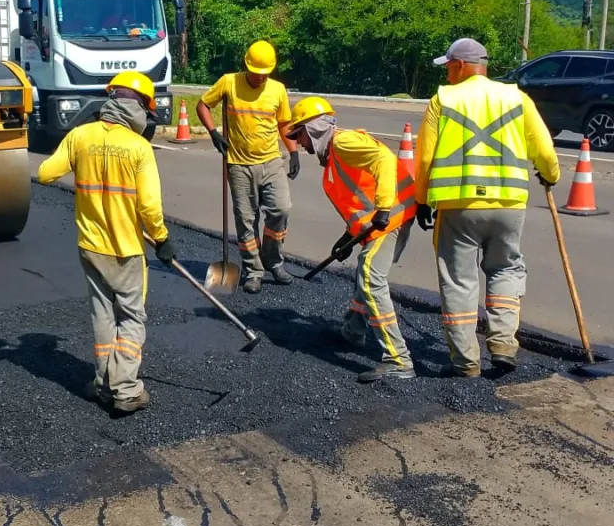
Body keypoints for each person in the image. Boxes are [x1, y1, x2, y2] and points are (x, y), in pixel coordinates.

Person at [415, 38, 560, 377]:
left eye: (449, 67)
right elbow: (545, 150)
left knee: (459, 279)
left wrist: (422, 199)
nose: (447, 74)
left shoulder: (443, 99)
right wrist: (550, 175)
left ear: (461, 66)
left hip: (459, 206)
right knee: (505, 269)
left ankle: (465, 361)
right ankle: (503, 345)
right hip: (509, 205)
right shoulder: (516, 97)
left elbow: (425, 158)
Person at [38, 71, 175, 413]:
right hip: (126, 250)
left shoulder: (80, 136)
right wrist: (161, 239)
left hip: (90, 246)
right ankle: (126, 390)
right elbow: (149, 205)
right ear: (140, 108)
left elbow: (45, 173)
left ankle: (103, 384)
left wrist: (78, 141)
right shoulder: (139, 147)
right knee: (131, 316)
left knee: (102, 313)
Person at [287, 96, 418, 382]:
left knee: (370, 275)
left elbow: (384, 160)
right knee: (364, 270)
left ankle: (398, 359)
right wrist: (347, 236)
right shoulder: (336, 154)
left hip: (391, 216)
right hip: (387, 216)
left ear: (314, 129)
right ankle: (354, 330)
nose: (301, 145)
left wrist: (384, 207)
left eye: (300, 136)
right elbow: (360, 196)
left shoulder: (344, 143)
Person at [196, 40, 300, 293]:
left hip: (272, 161)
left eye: (266, 73)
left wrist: (294, 152)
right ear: (247, 66)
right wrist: (213, 132)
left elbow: (284, 123)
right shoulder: (228, 82)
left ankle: (273, 261)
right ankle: (254, 270)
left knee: (281, 209)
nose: (261, 77)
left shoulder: (277, 90)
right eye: (257, 72)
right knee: (246, 219)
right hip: (239, 164)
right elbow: (203, 105)